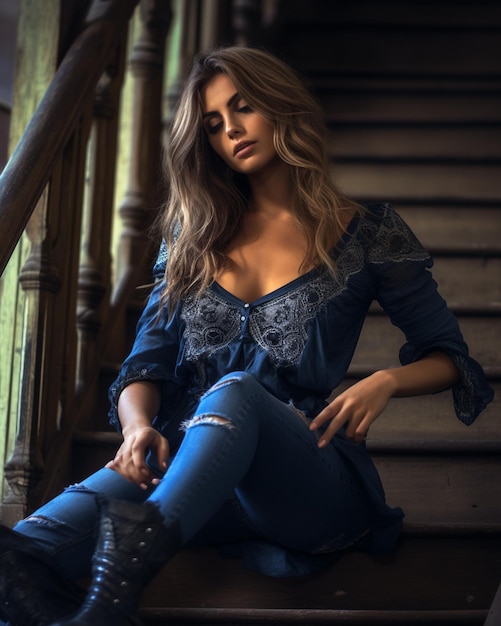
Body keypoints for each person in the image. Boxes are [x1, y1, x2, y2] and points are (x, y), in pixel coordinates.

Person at [0, 46, 494, 626]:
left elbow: (452, 358)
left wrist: (385, 380)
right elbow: (144, 366)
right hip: (183, 465)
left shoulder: (368, 233)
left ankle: (123, 575)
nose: (231, 129)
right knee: (21, 550)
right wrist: (136, 431)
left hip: (304, 476)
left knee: (234, 389)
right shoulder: (192, 237)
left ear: (282, 106)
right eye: (213, 124)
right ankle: (103, 605)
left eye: (244, 107)